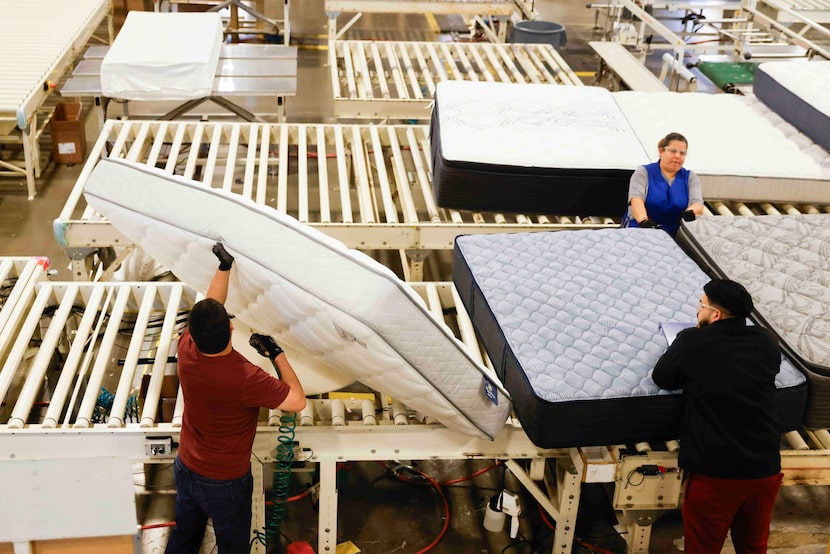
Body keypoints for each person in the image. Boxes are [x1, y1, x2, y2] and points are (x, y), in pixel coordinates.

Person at [166, 243, 306, 554]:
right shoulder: (245, 378)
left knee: (185, 536)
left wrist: (224, 267)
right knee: (232, 546)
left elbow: (212, 301)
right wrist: (277, 354)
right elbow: (297, 401)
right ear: (232, 328)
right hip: (225, 482)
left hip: (187, 466)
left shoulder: (187, 350)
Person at [652, 279, 784, 554]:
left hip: (716, 473)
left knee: (703, 548)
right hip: (765, 469)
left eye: (701, 306)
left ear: (715, 314)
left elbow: (662, 377)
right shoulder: (767, 341)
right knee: (753, 546)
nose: (696, 311)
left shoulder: (692, 341)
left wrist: (687, 342)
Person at [623, 132, 705, 236]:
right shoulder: (643, 172)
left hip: (675, 233)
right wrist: (644, 221)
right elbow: (636, 200)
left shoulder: (691, 177)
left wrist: (690, 212)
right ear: (661, 151)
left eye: (682, 153)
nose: (677, 156)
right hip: (641, 229)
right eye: (673, 151)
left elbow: (697, 204)